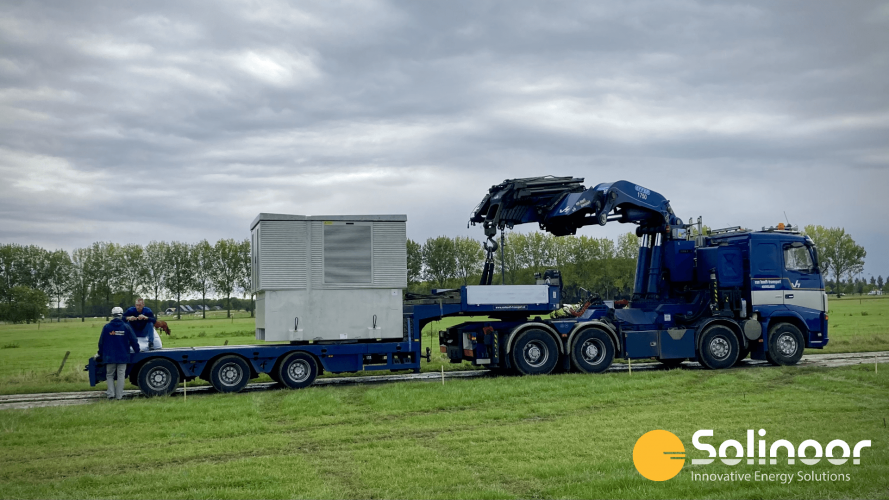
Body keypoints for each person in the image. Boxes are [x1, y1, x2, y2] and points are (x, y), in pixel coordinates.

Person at [98, 306, 140, 400]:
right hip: (123, 356)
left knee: (109, 375)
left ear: (112, 315)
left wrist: (100, 353)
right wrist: (137, 351)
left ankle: (111, 395)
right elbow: (134, 340)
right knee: (121, 375)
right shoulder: (126, 327)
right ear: (121, 315)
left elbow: (101, 342)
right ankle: (119, 396)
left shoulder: (106, 327)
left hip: (109, 357)